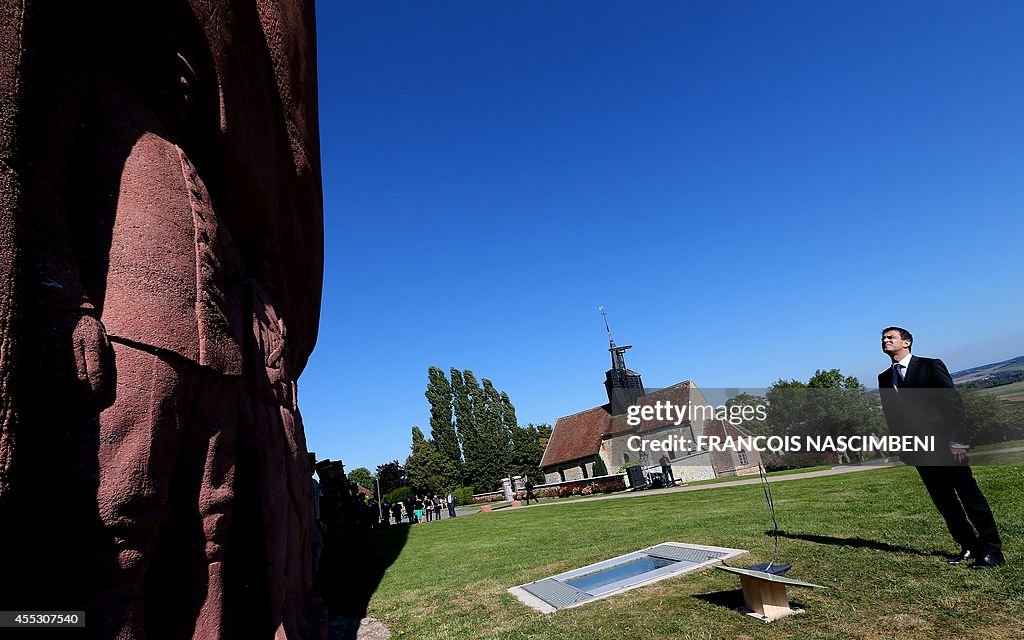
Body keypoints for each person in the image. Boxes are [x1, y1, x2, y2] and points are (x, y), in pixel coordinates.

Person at [878, 327, 1004, 569]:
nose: (885, 341)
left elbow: (952, 403)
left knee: (970, 498)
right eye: (883, 338)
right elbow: (892, 417)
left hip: (946, 446)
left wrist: (957, 440)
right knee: (945, 502)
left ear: (906, 342)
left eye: (890, 337)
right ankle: (968, 546)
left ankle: (992, 550)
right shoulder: (885, 378)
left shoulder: (930, 366)